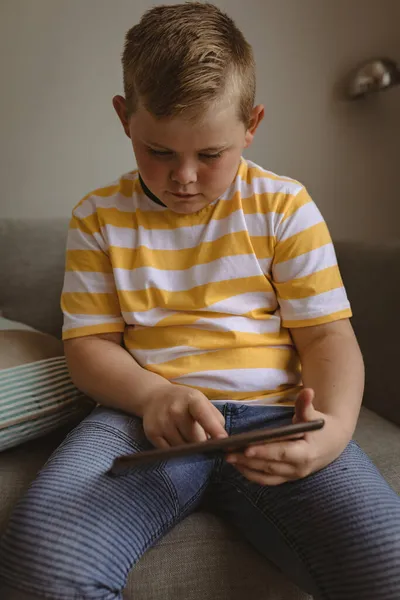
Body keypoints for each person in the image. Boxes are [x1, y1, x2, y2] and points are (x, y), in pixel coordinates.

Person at [1, 3, 399, 599]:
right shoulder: (98, 217)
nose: (183, 176)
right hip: (142, 419)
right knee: (42, 560)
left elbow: (326, 337)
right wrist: (153, 394)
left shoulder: (284, 206)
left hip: (277, 417)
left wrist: (333, 431)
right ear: (124, 118)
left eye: (210, 155)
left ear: (251, 125)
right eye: (159, 151)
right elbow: (87, 346)